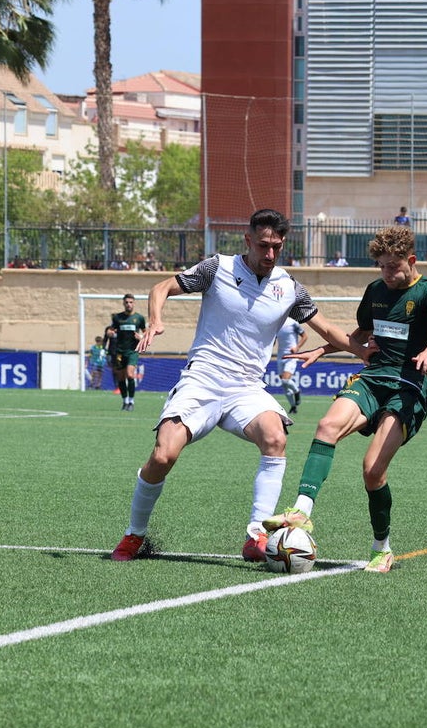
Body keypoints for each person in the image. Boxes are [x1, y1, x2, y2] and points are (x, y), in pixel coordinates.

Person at [111, 208, 361, 564]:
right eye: (263, 245)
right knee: (163, 455)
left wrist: (364, 351)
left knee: (275, 437)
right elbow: (161, 287)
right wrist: (156, 320)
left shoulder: (289, 288)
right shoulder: (219, 268)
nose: (270, 254)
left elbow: (331, 331)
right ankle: (134, 535)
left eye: (277, 246)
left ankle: (257, 535)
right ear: (248, 241)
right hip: (203, 379)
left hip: (247, 388)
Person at [264, 225, 427, 574]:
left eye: (393, 266)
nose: (387, 273)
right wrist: (323, 349)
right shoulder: (376, 291)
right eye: (381, 266)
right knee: (327, 425)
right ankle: (301, 510)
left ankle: (382, 547)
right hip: (373, 377)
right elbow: (360, 335)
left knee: (372, 471)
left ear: (410, 261)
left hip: (409, 387)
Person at [104, 293, 147, 411]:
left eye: (131, 302)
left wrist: (141, 337)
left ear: (134, 303)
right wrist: (110, 333)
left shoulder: (139, 318)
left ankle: (131, 401)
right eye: (127, 302)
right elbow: (111, 330)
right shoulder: (118, 317)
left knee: (130, 374)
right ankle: (125, 401)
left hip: (132, 351)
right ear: (123, 303)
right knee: (121, 378)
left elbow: (146, 334)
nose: (129, 304)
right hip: (119, 352)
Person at [275, 317, 308, 413]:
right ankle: (293, 406)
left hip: (291, 356)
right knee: (284, 385)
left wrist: (297, 347)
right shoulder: (277, 323)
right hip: (280, 356)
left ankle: (297, 391)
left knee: (285, 381)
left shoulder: (293, 323)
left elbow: (305, 336)